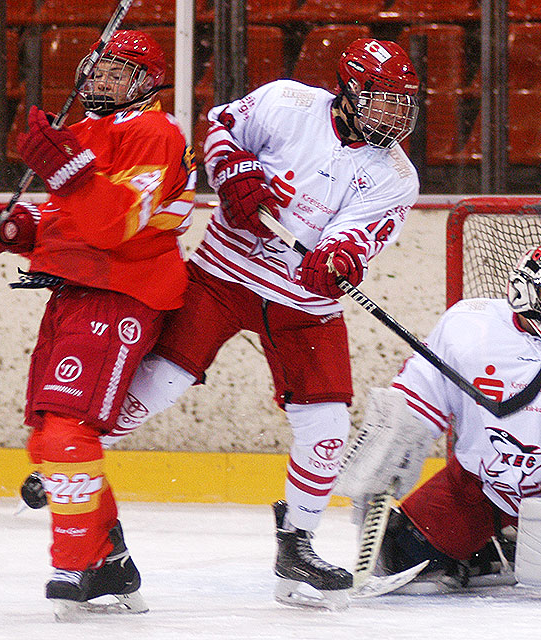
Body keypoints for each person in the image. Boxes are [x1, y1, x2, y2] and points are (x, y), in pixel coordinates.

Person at [101, 38, 421, 609]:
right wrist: (236, 173)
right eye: (380, 102)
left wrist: (339, 259)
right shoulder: (289, 103)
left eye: (401, 106)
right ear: (347, 91)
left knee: (327, 428)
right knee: (159, 384)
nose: (391, 117)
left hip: (303, 304)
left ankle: (296, 544)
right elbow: (222, 127)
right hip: (224, 271)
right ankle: (75, 457)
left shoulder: (396, 175)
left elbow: (356, 240)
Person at [0, 30, 196, 620]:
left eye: (117, 73)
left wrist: (67, 173)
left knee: (69, 429)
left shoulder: (156, 134)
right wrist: (19, 228)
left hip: (123, 294)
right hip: (75, 292)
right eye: (97, 70)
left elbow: (114, 224)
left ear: (148, 82)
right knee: (49, 434)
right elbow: (68, 218)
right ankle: (109, 562)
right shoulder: (88, 133)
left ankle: (73, 561)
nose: (100, 81)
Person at [361, 244, 541, 589]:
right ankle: (490, 552)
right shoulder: (469, 324)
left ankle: (525, 543)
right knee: (395, 555)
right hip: (479, 487)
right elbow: (423, 389)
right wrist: (396, 434)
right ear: (525, 292)